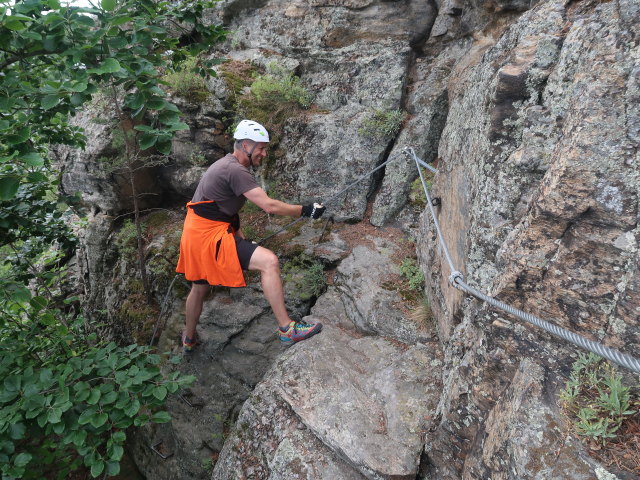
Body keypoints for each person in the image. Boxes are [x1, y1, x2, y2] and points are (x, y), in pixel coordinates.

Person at [176, 120, 326, 352]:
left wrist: (241, 239)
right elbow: (269, 206)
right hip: (209, 237)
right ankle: (287, 329)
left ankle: (189, 337)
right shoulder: (235, 170)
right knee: (269, 262)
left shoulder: (227, 165)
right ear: (246, 144)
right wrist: (306, 211)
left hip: (196, 234)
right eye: (261, 148)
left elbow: (221, 209)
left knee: (199, 287)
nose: (264, 154)